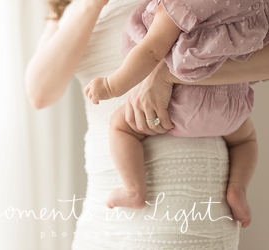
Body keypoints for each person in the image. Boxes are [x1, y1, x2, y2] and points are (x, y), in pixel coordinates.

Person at [25, 0, 269, 248]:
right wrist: (91, 5)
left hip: (180, 201)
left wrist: (167, 74)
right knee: (245, 139)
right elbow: (40, 93)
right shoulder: (67, 7)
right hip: (102, 200)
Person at [82, 0, 266, 229]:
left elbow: (151, 50)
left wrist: (110, 86)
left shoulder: (183, 3)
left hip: (181, 102)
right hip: (232, 106)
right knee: (246, 140)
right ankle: (237, 189)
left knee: (120, 126)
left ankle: (134, 190)